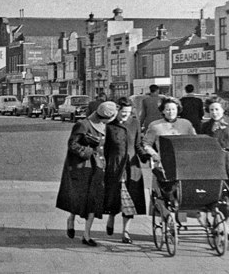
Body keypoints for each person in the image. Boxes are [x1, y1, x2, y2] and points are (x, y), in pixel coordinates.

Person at [56, 101, 118, 247]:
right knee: (79, 200)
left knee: (94, 201)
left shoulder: (109, 126)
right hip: (84, 167)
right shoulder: (83, 125)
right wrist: (89, 150)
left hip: (99, 168)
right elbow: (72, 144)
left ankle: (86, 235)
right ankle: (71, 219)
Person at [103, 97, 148, 244]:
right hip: (115, 166)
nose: (125, 115)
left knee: (129, 201)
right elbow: (106, 149)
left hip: (131, 166)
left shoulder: (135, 123)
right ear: (117, 111)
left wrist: (144, 156)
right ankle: (111, 217)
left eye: (128, 112)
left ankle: (126, 232)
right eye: (123, 112)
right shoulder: (109, 125)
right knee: (115, 197)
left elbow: (138, 144)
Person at [142, 97, 196, 161]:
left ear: (177, 110)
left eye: (173, 109)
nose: (171, 112)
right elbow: (146, 143)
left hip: (185, 160)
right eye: (168, 109)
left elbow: (194, 141)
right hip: (164, 160)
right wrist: (154, 154)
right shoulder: (154, 125)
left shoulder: (186, 123)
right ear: (163, 111)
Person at [201, 96, 229, 179]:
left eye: (217, 109)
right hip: (213, 160)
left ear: (223, 110)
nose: (214, 112)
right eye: (211, 110)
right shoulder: (205, 126)